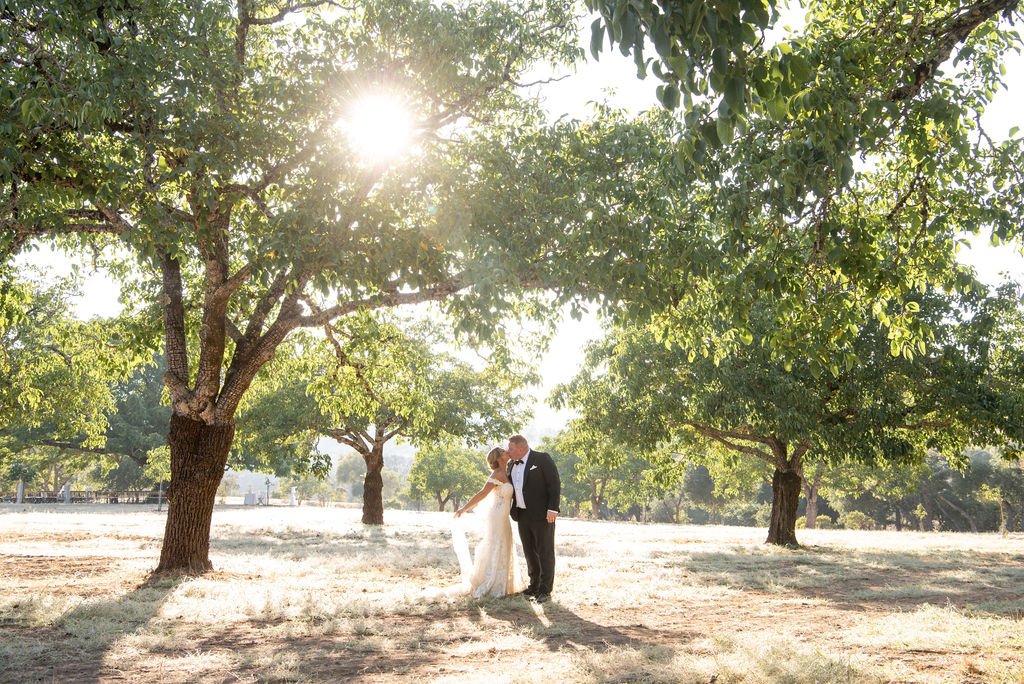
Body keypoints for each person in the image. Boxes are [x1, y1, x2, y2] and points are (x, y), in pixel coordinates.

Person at [453, 447, 522, 598]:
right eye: (504, 451)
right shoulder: (497, 474)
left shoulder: (508, 470)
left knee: (505, 543)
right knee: (496, 544)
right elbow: (483, 493)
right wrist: (464, 508)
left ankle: (503, 584)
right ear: (499, 458)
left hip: (504, 516)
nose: (507, 452)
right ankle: (491, 582)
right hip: (497, 516)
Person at [506, 434, 560, 604]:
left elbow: (555, 483)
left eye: (511, 448)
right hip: (522, 514)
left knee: (545, 552)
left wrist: (552, 509)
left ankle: (545, 589)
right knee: (530, 552)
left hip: (543, 514)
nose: (508, 451)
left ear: (521, 448)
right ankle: (534, 585)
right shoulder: (510, 465)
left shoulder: (542, 459)